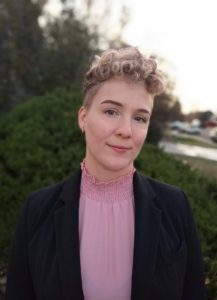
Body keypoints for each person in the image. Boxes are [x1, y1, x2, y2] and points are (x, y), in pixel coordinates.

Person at [5, 47, 206, 300]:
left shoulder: (176, 206)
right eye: (111, 111)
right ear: (83, 117)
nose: (126, 130)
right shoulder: (37, 210)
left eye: (140, 118)